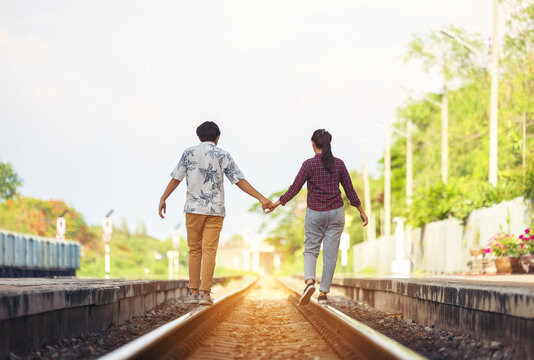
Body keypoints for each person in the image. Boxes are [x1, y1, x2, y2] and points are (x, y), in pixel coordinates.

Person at [158, 121, 272, 305]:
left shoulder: (189, 153)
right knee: (209, 251)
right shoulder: (223, 155)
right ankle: (205, 294)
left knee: (194, 250)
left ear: (198, 136)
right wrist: (261, 198)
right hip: (215, 211)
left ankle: (192, 293)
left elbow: (176, 178)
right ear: (217, 138)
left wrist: (163, 198)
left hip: (193, 210)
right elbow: (239, 180)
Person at [267, 129, 368, 305]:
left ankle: (309, 282)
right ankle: (323, 293)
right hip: (336, 213)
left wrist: (277, 203)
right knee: (330, 255)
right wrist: (361, 210)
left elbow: (295, 188)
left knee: (311, 250)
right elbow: (350, 190)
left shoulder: (308, 165)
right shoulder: (339, 164)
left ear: (313, 144)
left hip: (315, 213)